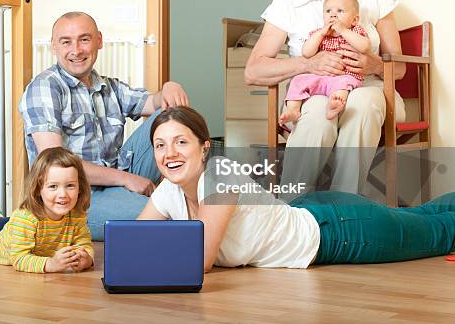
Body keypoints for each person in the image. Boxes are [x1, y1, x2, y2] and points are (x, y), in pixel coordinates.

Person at [138, 107, 455, 272]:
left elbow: (200, 261)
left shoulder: (220, 175)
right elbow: (131, 241)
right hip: (313, 210)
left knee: (439, 232)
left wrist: (151, 253)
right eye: (160, 145)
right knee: (426, 217)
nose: (170, 154)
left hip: (339, 232)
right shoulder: (170, 189)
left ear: (204, 147)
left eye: (181, 142)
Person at [244, 0, 406, 194]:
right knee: (318, 112)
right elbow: (253, 71)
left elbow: (400, 67)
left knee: (363, 105)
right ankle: (291, 210)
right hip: (315, 94)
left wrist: (374, 65)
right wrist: (309, 64)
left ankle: (345, 208)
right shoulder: (287, 4)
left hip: (371, 90)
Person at [18, 11, 189, 240]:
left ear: (98, 40)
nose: (76, 50)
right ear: (53, 46)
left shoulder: (108, 87)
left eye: (84, 39)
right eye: (66, 42)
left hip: (115, 178)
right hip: (76, 198)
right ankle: (176, 211)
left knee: (170, 114)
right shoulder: (45, 88)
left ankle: (185, 197)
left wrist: (169, 87)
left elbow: (154, 102)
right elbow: (54, 163)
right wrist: (126, 179)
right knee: (161, 214)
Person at [0, 147, 94, 273]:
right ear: (38, 189)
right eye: (53, 186)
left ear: (80, 187)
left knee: (9, 223)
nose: (63, 194)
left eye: (70, 186)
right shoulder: (25, 218)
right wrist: (51, 264)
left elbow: (84, 244)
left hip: (18, 229)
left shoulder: (77, 215)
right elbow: (19, 259)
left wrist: (86, 259)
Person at [280, 0, 370, 124]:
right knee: (298, 80)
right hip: (320, 76)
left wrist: (343, 31)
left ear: (354, 20)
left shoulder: (355, 31)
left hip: (344, 76)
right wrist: (321, 33)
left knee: (343, 84)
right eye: (328, 11)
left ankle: (334, 106)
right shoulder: (319, 33)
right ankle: (293, 109)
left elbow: (364, 47)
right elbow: (306, 52)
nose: (333, 14)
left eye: (340, 11)